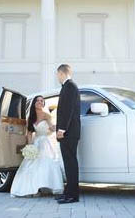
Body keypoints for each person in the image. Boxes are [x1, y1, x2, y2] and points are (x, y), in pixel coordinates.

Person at [10, 96, 64, 197]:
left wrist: (58, 127)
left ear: (43, 103)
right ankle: (33, 188)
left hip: (45, 142)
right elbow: (29, 133)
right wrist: (31, 147)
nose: (40, 102)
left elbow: (52, 127)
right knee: (31, 163)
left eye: (41, 101)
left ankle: (45, 185)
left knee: (46, 163)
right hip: (36, 142)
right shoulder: (30, 117)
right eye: (38, 101)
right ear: (34, 103)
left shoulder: (46, 115)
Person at [54, 64, 81, 204]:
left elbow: (68, 110)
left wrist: (61, 129)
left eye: (57, 74)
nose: (57, 77)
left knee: (71, 164)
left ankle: (73, 196)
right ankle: (68, 193)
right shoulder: (67, 87)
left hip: (69, 133)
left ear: (62, 73)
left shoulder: (70, 87)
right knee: (68, 164)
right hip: (68, 132)